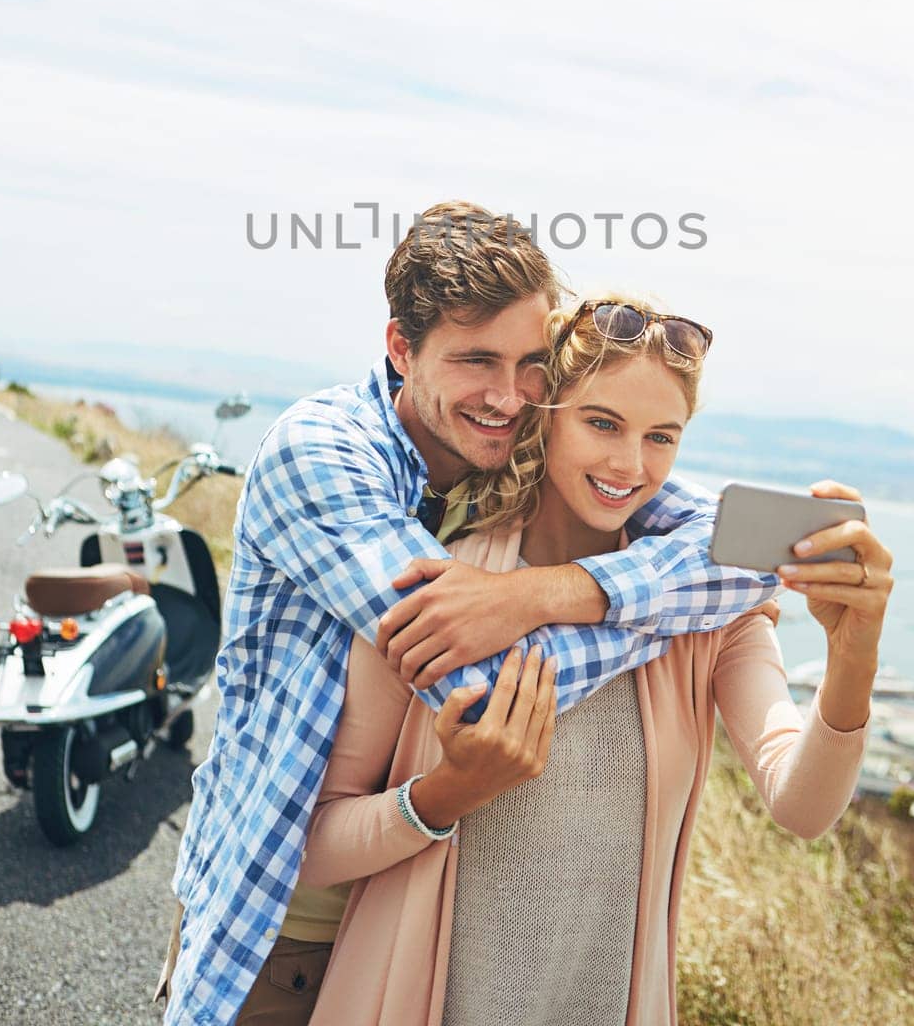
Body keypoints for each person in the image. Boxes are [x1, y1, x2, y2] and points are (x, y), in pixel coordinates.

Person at [161, 206, 781, 1025]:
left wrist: (541, 593)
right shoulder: (322, 453)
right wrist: (680, 608)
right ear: (399, 349)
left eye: (531, 365)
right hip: (284, 929)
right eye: (474, 360)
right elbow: (486, 693)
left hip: (419, 938)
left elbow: (758, 541)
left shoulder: (510, 474)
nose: (507, 396)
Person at [286, 295, 892, 1026]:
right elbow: (312, 844)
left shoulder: (712, 614)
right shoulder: (439, 589)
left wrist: (853, 652)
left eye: (660, 437)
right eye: (601, 423)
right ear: (542, 415)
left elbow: (801, 807)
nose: (628, 464)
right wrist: (445, 793)